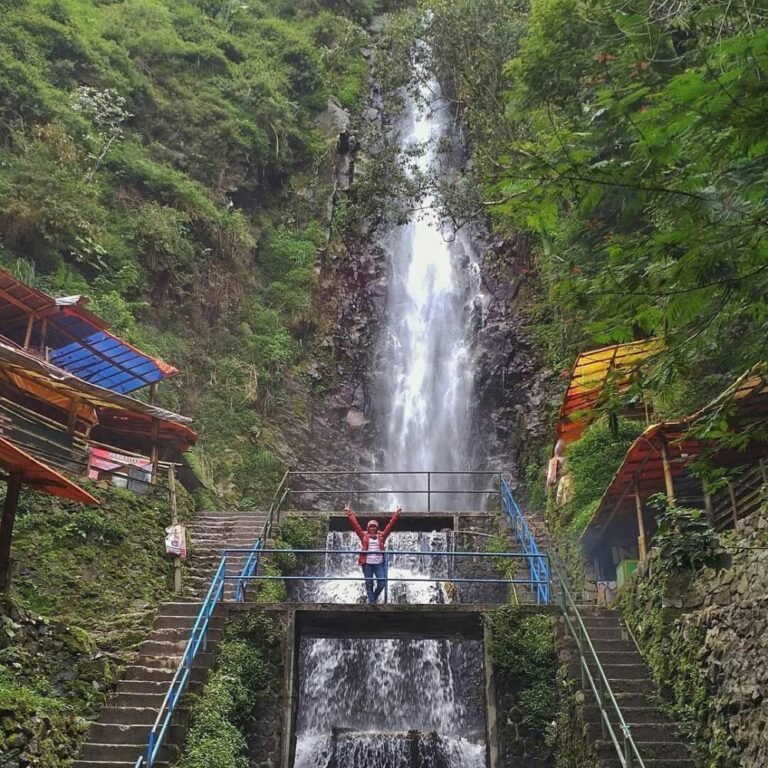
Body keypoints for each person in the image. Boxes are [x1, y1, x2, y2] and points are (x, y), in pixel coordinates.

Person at [345, 502, 401, 604]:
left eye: (374, 526)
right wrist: (349, 513)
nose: (372, 528)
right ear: (368, 528)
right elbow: (356, 526)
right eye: (371, 526)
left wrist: (396, 515)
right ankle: (372, 603)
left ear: (377, 528)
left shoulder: (382, 536)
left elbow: (389, 526)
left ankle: (372, 599)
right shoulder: (363, 536)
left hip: (378, 563)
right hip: (367, 564)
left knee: (382, 582)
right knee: (369, 583)